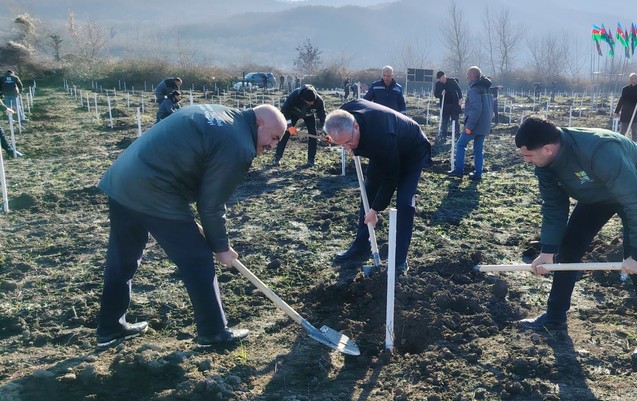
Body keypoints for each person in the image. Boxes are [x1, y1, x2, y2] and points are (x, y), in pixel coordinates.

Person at [95, 103, 287, 350]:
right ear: (259, 123)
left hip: (123, 179)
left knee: (123, 258)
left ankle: (109, 327)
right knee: (197, 259)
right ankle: (214, 333)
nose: (272, 146)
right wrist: (221, 248)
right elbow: (211, 205)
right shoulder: (239, 145)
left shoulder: (220, 113)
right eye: (273, 137)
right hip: (155, 189)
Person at [513, 116, 637, 361]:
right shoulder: (545, 164)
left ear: (548, 148)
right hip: (596, 193)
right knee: (569, 248)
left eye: (528, 155)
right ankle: (555, 315)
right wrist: (548, 250)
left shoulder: (599, 150)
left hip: (636, 185)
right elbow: (554, 206)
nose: (525, 160)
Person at [324, 99, 431, 275]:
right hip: (383, 147)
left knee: (404, 202)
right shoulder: (342, 115)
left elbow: (390, 179)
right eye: (341, 144)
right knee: (368, 191)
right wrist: (346, 142)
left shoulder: (380, 138)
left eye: (348, 142)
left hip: (412, 150)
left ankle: (399, 260)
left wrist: (375, 210)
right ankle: (361, 245)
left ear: (356, 127)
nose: (347, 148)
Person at [447, 66, 493, 181]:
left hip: (475, 125)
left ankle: (459, 171)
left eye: (468, 75)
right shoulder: (486, 89)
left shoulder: (474, 89)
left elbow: (476, 109)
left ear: (472, 76)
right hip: (484, 125)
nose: (466, 77)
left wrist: (469, 126)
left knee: (460, 144)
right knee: (478, 149)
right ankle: (478, 174)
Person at [272, 84, 327, 168]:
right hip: (293, 113)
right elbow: (284, 111)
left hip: (309, 115)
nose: (312, 103)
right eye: (310, 102)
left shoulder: (319, 101)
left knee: (313, 134)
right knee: (286, 133)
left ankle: (311, 159)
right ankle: (277, 157)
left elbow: (323, 117)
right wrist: (290, 126)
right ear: (303, 99)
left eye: (313, 101)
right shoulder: (294, 96)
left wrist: (327, 132)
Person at [613, 73, 637, 142]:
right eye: (632, 79)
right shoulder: (625, 89)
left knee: (635, 133)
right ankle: (622, 144)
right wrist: (616, 111)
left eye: (635, 78)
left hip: (636, 113)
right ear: (629, 80)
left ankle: (635, 147)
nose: (634, 80)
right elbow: (621, 100)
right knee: (622, 132)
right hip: (625, 113)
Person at [433, 71, 463, 143]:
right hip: (445, 105)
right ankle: (444, 135)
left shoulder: (452, 81)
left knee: (455, 119)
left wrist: (460, 98)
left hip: (454, 104)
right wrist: (441, 94)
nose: (439, 80)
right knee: (445, 121)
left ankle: (457, 134)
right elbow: (436, 94)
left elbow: (459, 90)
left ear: (443, 77)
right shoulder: (438, 84)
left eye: (439, 78)